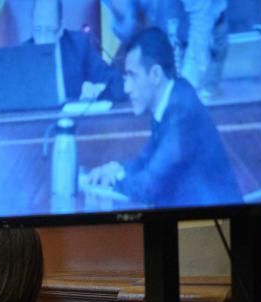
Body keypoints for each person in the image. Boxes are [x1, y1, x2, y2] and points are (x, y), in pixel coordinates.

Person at [88, 26, 241, 207]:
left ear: (155, 75)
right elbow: (146, 160)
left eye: (132, 76)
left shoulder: (181, 112)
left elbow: (148, 188)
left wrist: (116, 178)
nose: (126, 88)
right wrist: (116, 168)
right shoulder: (173, 95)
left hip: (212, 222)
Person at [30, 0, 125, 102]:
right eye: (37, 30)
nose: (43, 40)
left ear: (60, 28)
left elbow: (115, 82)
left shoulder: (79, 47)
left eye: (49, 31)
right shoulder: (23, 56)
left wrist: (97, 89)